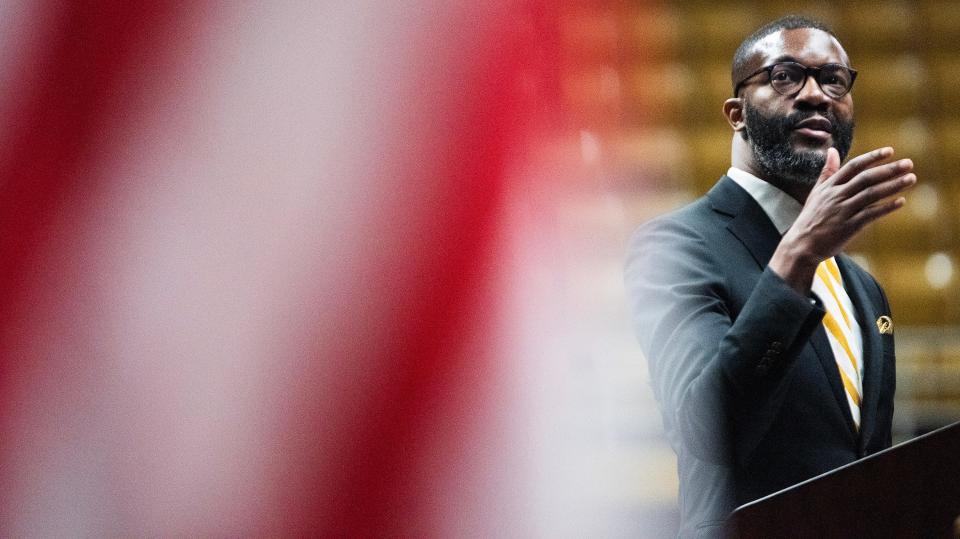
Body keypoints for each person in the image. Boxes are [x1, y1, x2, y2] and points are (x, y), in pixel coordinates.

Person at [625, 15, 915, 537]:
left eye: (834, 79)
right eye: (785, 75)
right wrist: (796, 258)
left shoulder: (864, 289)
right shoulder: (676, 247)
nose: (816, 95)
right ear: (736, 113)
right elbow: (707, 429)